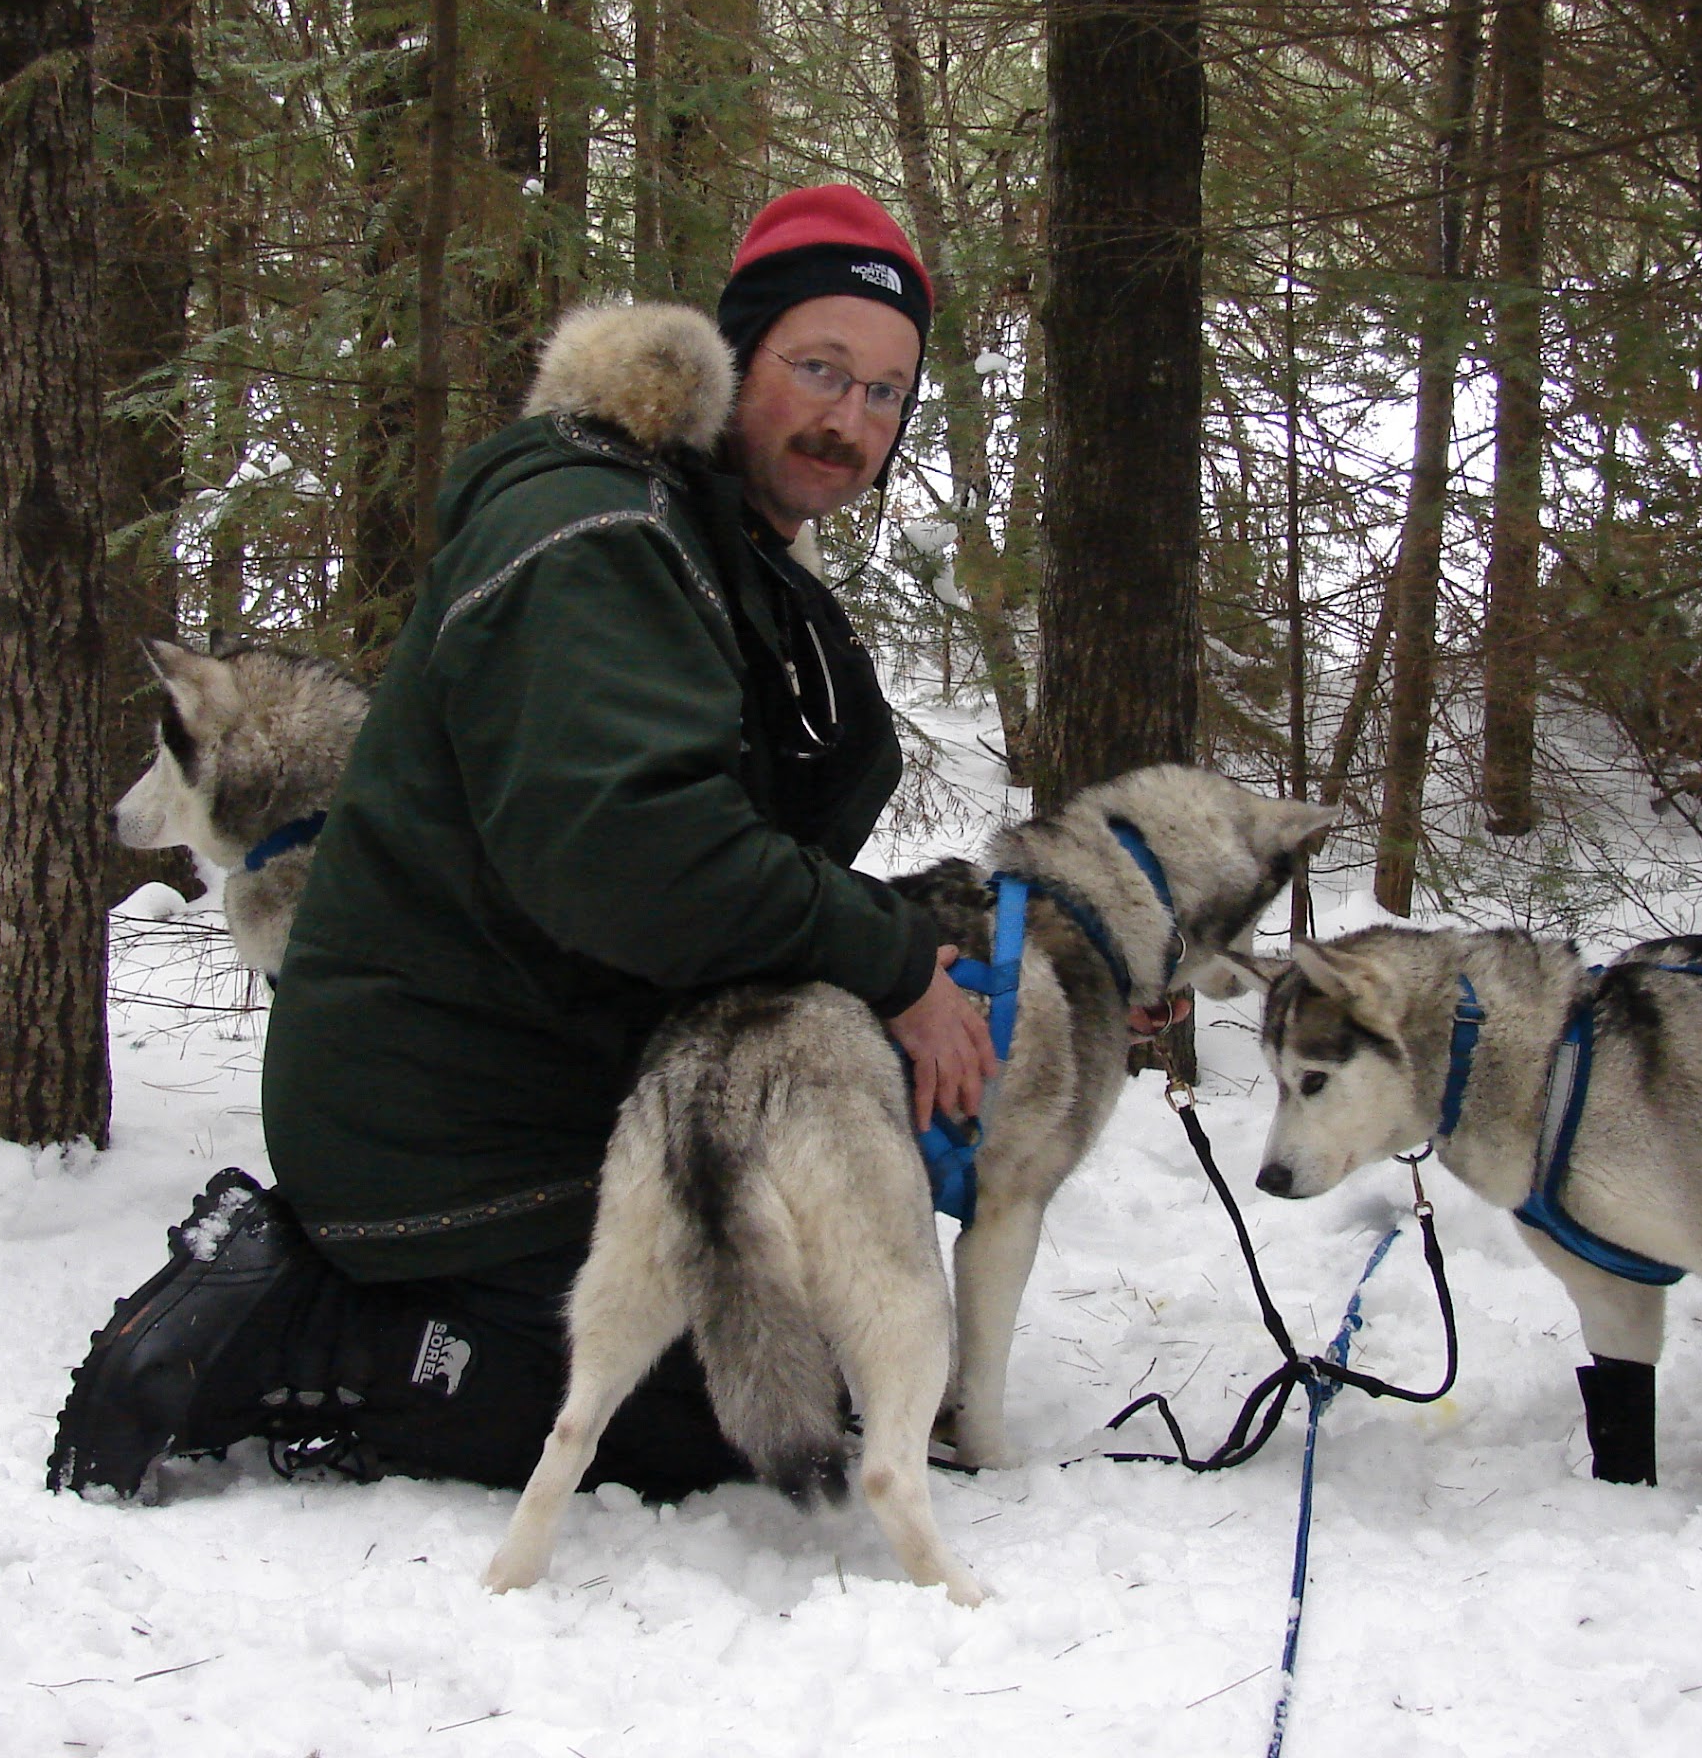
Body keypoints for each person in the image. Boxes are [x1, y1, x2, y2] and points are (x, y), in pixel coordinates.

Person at [50, 184, 998, 1504]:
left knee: (820, 1343)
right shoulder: (598, 532)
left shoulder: (710, 552)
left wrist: (948, 955)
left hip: (558, 1081)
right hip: (449, 1132)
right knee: (736, 1416)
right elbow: (637, 856)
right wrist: (891, 963)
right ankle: (301, 1329)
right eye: (820, 370)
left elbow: (714, 847)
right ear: (737, 360)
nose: (850, 421)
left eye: (886, 394)